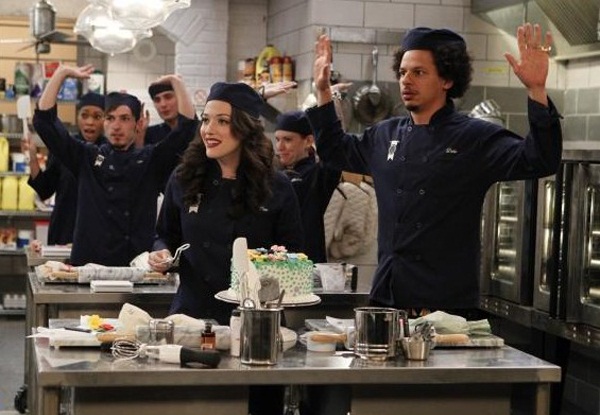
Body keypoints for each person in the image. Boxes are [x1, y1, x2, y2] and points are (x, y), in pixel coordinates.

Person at [307, 23, 563, 320]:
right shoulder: (385, 135)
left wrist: (536, 90)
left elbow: (539, 159)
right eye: (403, 72)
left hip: (446, 307)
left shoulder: (473, 137)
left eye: (419, 72)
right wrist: (322, 90)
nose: (406, 80)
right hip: (387, 299)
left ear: (447, 79)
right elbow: (333, 151)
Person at [148, 82, 302, 415]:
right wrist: (161, 253)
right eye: (206, 120)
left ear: (244, 128)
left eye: (222, 121)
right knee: (194, 407)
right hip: (193, 318)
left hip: (256, 327)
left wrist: (273, 267)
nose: (208, 130)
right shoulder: (184, 178)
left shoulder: (276, 186)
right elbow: (164, 235)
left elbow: (294, 255)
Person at [32, 64, 197, 266]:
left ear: (138, 124)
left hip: (137, 270)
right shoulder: (87, 157)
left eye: (125, 119)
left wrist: (177, 83)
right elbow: (45, 122)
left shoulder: (151, 160)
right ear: (105, 123)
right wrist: (61, 73)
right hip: (88, 268)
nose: (116, 126)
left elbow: (187, 129)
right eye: (110, 118)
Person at [23, 92, 108, 245]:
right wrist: (33, 157)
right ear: (77, 117)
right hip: (64, 231)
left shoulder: (108, 150)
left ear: (105, 120)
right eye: (84, 115)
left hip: (98, 234)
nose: (90, 122)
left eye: (97, 116)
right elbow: (45, 190)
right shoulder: (64, 147)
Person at [274, 110, 341, 263]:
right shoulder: (273, 174)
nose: (280, 146)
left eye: (287, 140)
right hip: (274, 262)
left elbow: (335, 153)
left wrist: (327, 105)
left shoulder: (318, 174)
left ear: (308, 141)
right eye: (277, 139)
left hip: (305, 264)